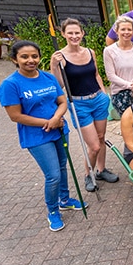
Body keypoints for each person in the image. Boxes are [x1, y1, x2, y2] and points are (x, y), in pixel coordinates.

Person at [0, 40, 87, 232]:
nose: (31, 60)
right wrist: (49, 123)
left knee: (63, 167)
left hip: (60, 130)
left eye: (34, 56)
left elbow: (62, 101)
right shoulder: (11, 85)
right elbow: (15, 116)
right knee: (52, 175)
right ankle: (53, 211)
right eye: (24, 56)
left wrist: (56, 118)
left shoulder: (48, 77)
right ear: (15, 59)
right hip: (37, 137)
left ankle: (65, 199)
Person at [51, 18, 119, 193]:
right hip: (79, 104)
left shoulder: (90, 52)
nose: (74, 36)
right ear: (63, 34)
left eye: (77, 32)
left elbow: (96, 74)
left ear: (82, 33)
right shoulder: (60, 56)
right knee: (94, 145)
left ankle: (101, 170)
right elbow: (59, 85)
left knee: (102, 137)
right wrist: (54, 65)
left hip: (98, 99)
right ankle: (88, 174)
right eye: (70, 33)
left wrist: (103, 93)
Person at [103, 16, 133, 115]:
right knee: (128, 123)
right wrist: (128, 85)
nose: (126, 32)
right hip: (121, 92)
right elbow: (111, 75)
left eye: (129, 29)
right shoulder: (109, 51)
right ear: (116, 31)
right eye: (123, 29)